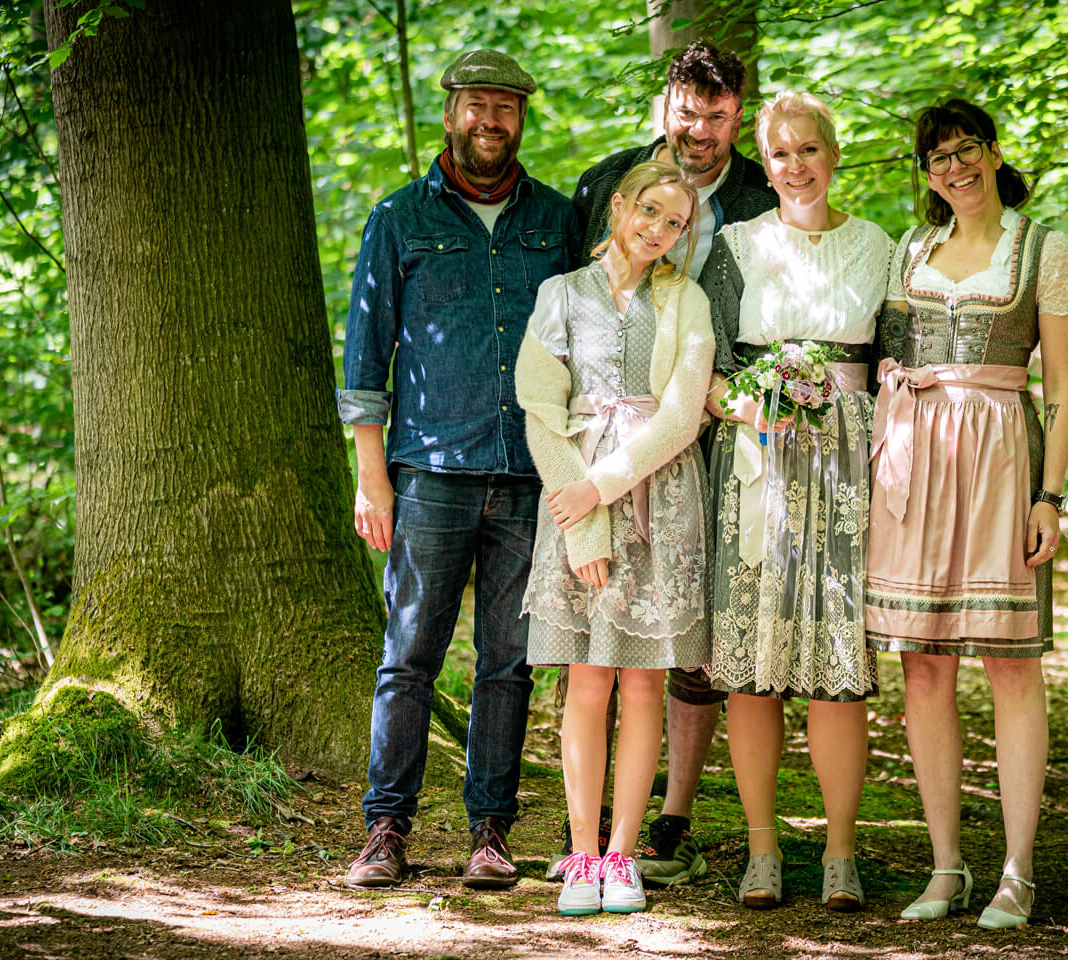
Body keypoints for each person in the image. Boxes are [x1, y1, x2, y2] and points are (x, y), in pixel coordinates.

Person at [336, 49, 578, 890]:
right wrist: (373, 479)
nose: (491, 119)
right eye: (476, 104)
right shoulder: (399, 217)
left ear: (522, 117)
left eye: (506, 107)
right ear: (450, 112)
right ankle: (386, 827)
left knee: (508, 662)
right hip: (428, 472)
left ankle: (490, 833)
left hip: (528, 476)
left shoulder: (555, 221)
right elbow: (366, 362)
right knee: (409, 654)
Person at [550, 40, 777, 887]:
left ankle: (669, 814)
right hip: (609, 432)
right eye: (689, 112)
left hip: (727, 422)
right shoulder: (607, 184)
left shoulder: (759, 193)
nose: (702, 131)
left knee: (694, 626)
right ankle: (588, 829)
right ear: (667, 107)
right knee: (599, 624)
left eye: (719, 117)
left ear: (738, 117)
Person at [865, 98, 1068, 929]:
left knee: (1011, 663)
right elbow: (888, 352)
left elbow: (1061, 389)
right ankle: (946, 865)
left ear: (993, 154)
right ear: (924, 174)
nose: (953, 170)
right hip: (918, 462)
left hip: (1001, 460)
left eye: (965, 152)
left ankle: (1018, 871)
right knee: (923, 665)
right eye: (937, 160)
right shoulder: (911, 249)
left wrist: (1049, 496)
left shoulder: (1043, 249)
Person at [701, 92, 893, 912]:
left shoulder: (880, 247)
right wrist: (737, 403)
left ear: (834, 153)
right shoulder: (736, 247)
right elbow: (700, 367)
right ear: (765, 162)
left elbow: (903, 364)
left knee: (836, 670)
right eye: (780, 154)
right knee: (754, 669)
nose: (795, 166)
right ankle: (763, 851)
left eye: (809, 149)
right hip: (758, 463)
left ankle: (842, 855)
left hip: (851, 467)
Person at [517, 161, 715, 915]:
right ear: (621, 206)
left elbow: (680, 413)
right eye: (651, 213)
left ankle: (624, 856)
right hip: (575, 499)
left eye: (676, 224)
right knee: (587, 682)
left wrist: (602, 489)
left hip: (657, 499)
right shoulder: (560, 295)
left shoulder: (686, 301)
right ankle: (579, 853)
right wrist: (583, 520)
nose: (660, 232)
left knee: (643, 682)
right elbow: (541, 404)